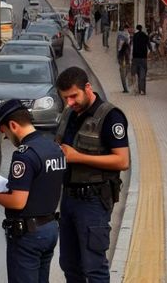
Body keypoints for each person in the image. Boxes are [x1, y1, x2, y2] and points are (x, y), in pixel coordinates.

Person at [55, 66, 130, 282]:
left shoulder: (110, 116)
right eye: (65, 98)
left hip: (94, 201)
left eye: (73, 96)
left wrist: (78, 157)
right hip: (68, 199)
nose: (69, 102)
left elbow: (122, 160)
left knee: (94, 268)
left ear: (87, 88)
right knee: (70, 265)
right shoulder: (69, 113)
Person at [0, 99, 65, 283]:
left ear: (13, 125)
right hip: (50, 228)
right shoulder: (54, 148)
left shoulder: (24, 154)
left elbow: (18, 201)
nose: (7, 138)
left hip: (28, 235)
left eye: (6, 133)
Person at [132, 24, 150, 95]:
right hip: (143, 58)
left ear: (136, 28)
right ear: (141, 29)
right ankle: (142, 90)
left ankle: (138, 89)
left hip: (135, 57)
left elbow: (131, 46)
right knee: (143, 74)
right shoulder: (145, 36)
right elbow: (149, 46)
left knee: (137, 74)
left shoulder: (134, 36)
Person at [116, 25, 131, 93]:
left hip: (122, 56)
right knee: (125, 72)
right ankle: (126, 88)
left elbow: (118, 48)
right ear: (125, 29)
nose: (128, 30)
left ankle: (125, 88)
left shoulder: (120, 36)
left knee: (123, 72)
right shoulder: (126, 36)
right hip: (125, 57)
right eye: (127, 29)